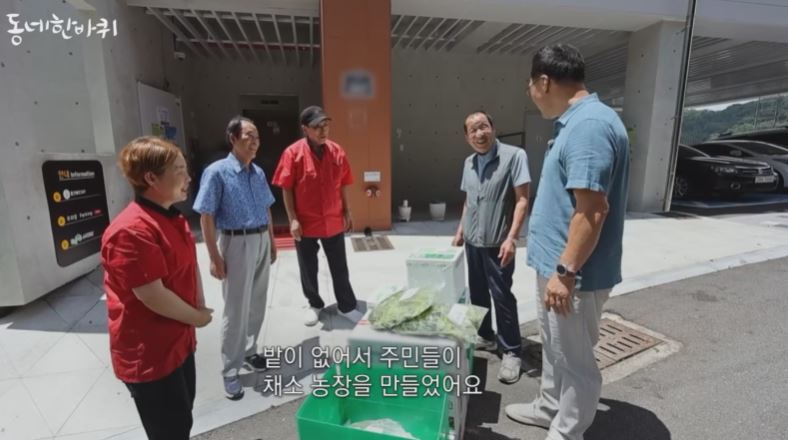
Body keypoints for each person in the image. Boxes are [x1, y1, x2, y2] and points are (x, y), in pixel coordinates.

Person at [505, 44, 630, 440]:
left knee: (575, 362)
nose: (530, 93)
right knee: (555, 348)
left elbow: (591, 211)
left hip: (572, 274)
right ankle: (549, 407)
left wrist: (565, 272)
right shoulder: (575, 122)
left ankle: (566, 431)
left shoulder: (589, 125)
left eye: (530, 85)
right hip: (556, 267)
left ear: (544, 81)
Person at [101, 136, 213, 440]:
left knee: (182, 420)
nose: (188, 178)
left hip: (179, 342)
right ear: (151, 178)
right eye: (179, 170)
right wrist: (198, 317)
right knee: (169, 431)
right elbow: (152, 295)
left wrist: (199, 304)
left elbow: (188, 266)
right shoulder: (131, 230)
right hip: (151, 354)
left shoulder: (172, 217)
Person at [193, 116, 277, 400]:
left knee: (257, 301)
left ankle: (250, 351)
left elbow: (266, 208)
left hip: (260, 238)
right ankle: (230, 369)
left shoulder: (258, 172)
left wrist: (271, 241)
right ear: (233, 138)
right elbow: (206, 215)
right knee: (236, 308)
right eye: (248, 136)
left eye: (257, 136)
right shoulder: (217, 172)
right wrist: (214, 256)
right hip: (236, 242)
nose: (255, 141)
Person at [452, 111, 531, 384]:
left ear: (493, 128)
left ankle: (511, 351)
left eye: (483, 126)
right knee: (477, 293)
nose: (479, 134)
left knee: (502, 296)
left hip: (499, 243)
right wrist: (461, 230)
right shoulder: (469, 162)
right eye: (473, 130)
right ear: (467, 137)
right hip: (473, 242)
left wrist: (512, 238)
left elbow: (522, 200)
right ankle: (485, 335)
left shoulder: (514, 156)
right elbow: (468, 200)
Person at [272, 105, 363, 326]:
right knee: (308, 267)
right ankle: (314, 304)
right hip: (306, 222)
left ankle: (346, 306)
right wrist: (293, 219)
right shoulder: (293, 153)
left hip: (333, 219)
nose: (324, 131)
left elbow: (344, 183)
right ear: (305, 128)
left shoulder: (337, 151)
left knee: (339, 266)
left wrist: (347, 211)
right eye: (317, 127)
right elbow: (286, 188)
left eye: (326, 125)